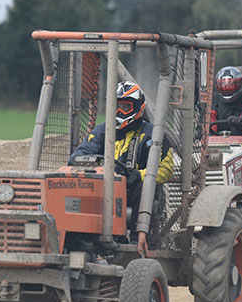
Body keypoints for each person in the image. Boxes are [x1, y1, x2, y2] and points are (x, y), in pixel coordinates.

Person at [69, 81, 173, 226]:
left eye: (125, 107)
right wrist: (99, 168)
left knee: (143, 187)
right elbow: (77, 157)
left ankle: (137, 236)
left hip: (133, 190)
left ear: (138, 108)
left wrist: (138, 175)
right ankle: (75, 231)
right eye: (116, 106)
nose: (118, 111)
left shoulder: (153, 134)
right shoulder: (102, 131)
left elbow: (166, 169)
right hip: (102, 187)